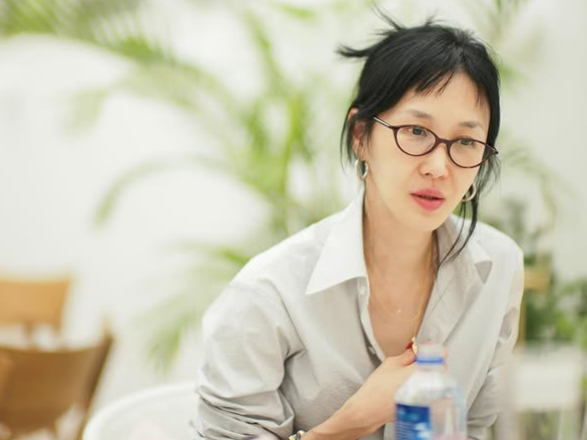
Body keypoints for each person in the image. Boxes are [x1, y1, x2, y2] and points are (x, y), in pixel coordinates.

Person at [191, 14, 524, 440]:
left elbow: (472, 429)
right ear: (360, 136)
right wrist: (350, 424)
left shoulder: (499, 266)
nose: (439, 167)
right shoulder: (268, 293)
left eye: (465, 142)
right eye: (416, 131)